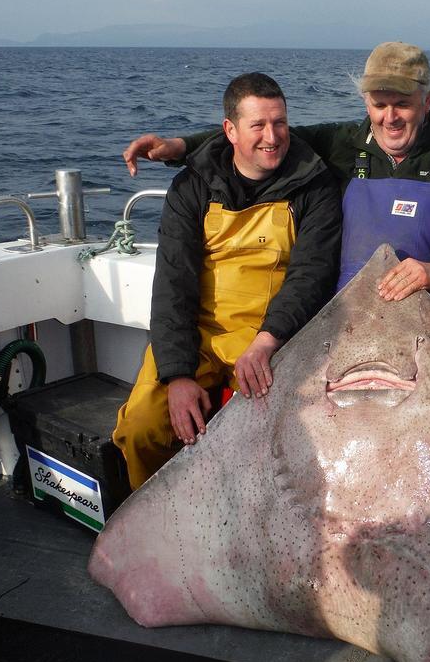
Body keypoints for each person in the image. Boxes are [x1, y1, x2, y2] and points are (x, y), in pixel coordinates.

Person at [123, 42, 430, 314]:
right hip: (342, 318)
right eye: (379, 105)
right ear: (366, 101)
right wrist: (179, 146)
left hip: (427, 325)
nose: (390, 117)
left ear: (427, 101)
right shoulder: (341, 142)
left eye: (403, 105)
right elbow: (264, 139)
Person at [114, 72, 341, 489]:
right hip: (198, 336)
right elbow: (172, 286)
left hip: (269, 338)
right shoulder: (192, 187)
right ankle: (155, 533)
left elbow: (312, 275)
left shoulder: (315, 185)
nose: (272, 137)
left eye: (280, 123)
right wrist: (179, 375)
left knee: (278, 440)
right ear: (230, 131)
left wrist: (268, 340)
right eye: (258, 125)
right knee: (142, 428)